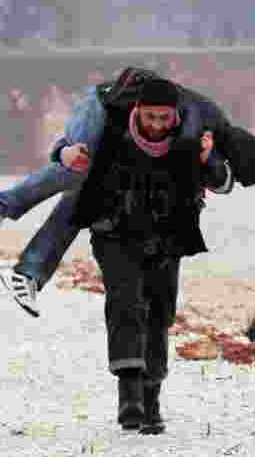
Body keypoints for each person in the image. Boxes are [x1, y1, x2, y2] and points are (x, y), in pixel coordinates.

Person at [0, 67, 255, 316]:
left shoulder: (212, 134)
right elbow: (193, 169)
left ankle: (27, 274)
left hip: (126, 130)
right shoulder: (198, 125)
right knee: (76, 166)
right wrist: (64, 152)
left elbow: (219, 181)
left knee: (88, 195)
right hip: (103, 106)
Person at [69, 78, 230, 434]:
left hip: (167, 238)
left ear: (174, 116)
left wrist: (207, 160)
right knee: (125, 302)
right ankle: (129, 395)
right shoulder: (109, 129)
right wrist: (66, 154)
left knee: (159, 315)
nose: (156, 126)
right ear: (137, 111)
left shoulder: (191, 138)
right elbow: (61, 152)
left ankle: (151, 397)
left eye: (163, 118)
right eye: (150, 117)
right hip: (114, 235)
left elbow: (224, 181)